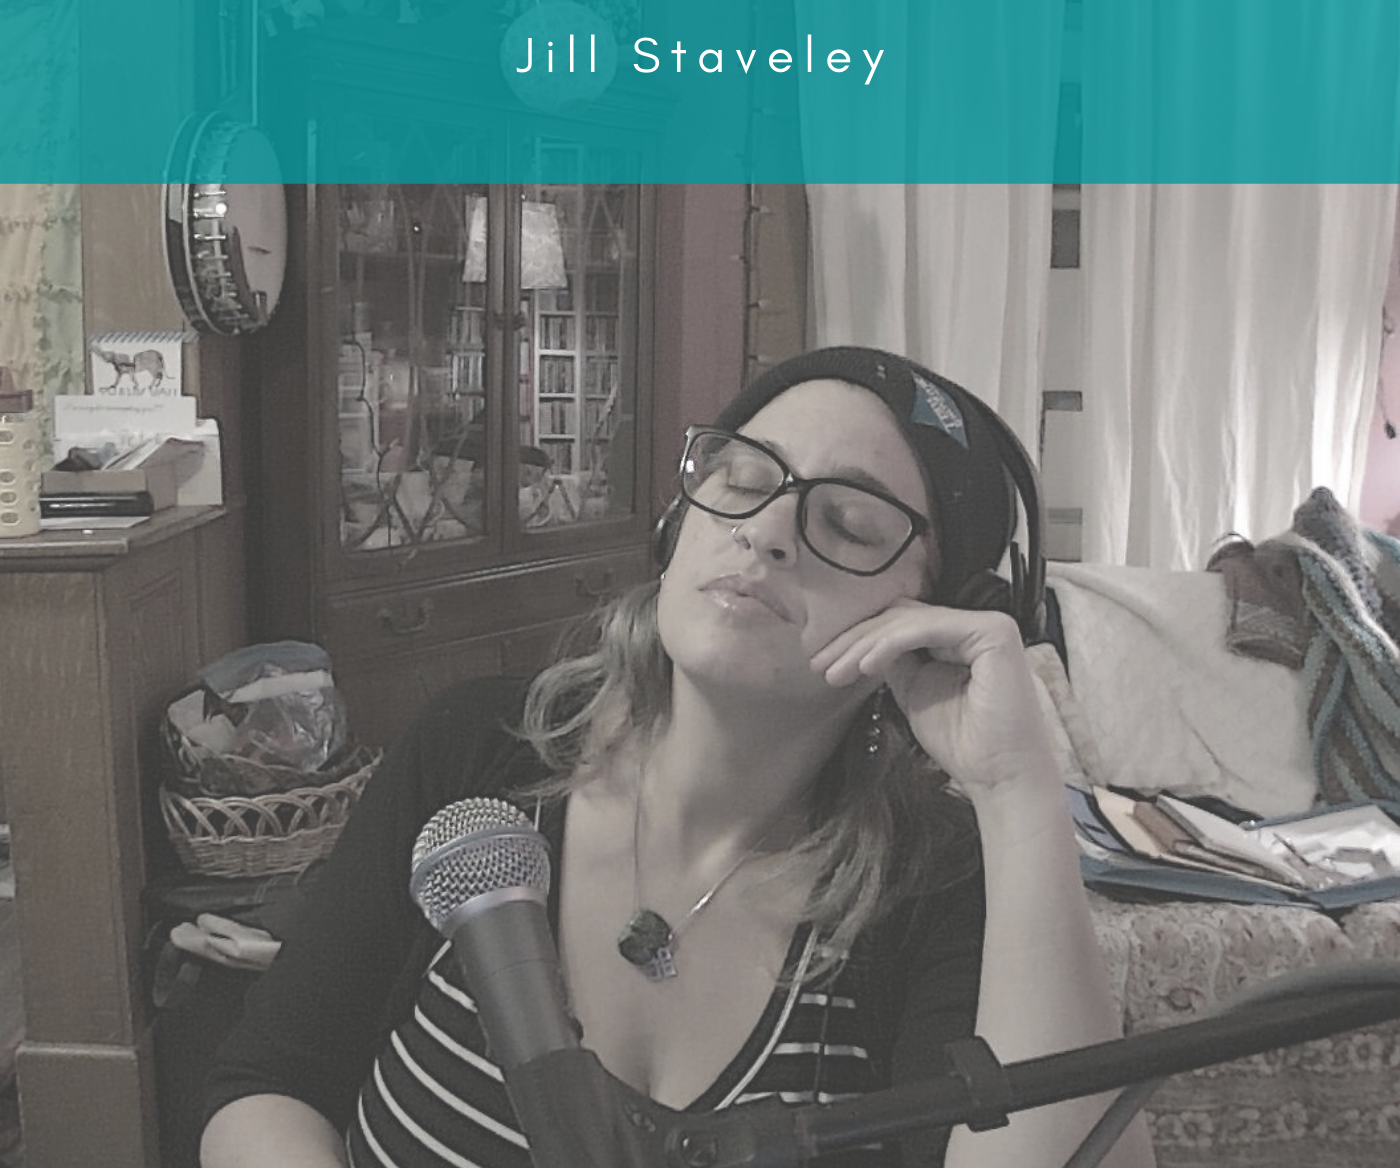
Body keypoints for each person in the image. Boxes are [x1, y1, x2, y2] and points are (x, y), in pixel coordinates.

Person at [200, 345, 1153, 1168]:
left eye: (849, 525)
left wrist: (1017, 791)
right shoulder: (477, 750)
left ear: (933, 617)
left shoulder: (935, 888)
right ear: (677, 525)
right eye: (743, 479)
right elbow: (267, 1087)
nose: (767, 531)